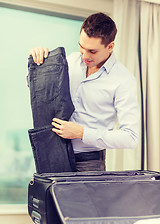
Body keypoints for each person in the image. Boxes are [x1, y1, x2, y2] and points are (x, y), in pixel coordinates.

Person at [29, 12, 140, 172]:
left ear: (110, 46)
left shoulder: (123, 80)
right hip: (52, 156)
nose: (84, 55)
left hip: (89, 162)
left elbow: (131, 137)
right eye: (81, 46)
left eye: (92, 51)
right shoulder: (70, 61)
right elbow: (39, 92)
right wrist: (38, 63)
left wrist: (82, 133)